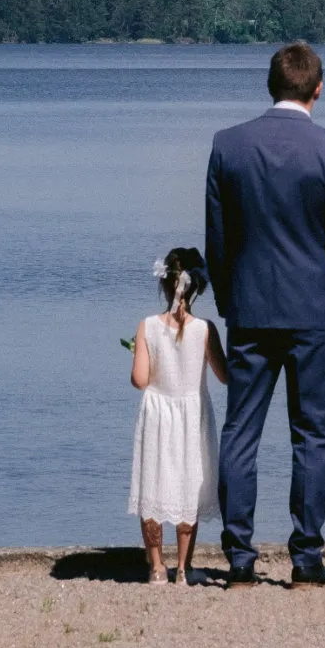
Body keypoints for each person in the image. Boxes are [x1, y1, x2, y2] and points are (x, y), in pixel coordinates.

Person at [205, 42, 325, 587]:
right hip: (315, 310)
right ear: (318, 88)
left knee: (240, 434)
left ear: (270, 85)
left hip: (250, 309)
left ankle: (241, 558)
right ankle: (307, 557)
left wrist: (228, 304)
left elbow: (217, 242)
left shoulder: (228, 146)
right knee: (312, 435)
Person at [126, 246, 227, 584]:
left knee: (152, 486)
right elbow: (224, 375)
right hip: (191, 416)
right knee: (188, 488)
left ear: (164, 284)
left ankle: (156, 567)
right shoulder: (205, 330)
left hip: (157, 415)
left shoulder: (147, 327)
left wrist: (139, 353)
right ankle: (183, 568)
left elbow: (140, 380)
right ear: (197, 288)